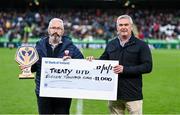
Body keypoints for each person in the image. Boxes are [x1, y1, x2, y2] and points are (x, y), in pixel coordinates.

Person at [87, 15, 152, 114]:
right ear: (117, 27)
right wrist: (93, 61)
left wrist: (125, 69)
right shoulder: (111, 44)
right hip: (114, 94)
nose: (123, 27)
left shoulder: (141, 45)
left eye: (126, 24)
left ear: (131, 26)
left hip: (133, 94)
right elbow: (103, 61)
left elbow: (148, 66)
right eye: (120, 25)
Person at [20, 18, 84, 114]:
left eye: (59, 28)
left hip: (63, 92)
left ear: (63, 31)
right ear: (48, 30)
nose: (55, 31)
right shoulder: (39, 46)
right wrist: (27, 67)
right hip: (43, 91)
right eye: (53, 28)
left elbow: (82, 66)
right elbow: (34, 67)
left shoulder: (71, 47)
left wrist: (72, 63)